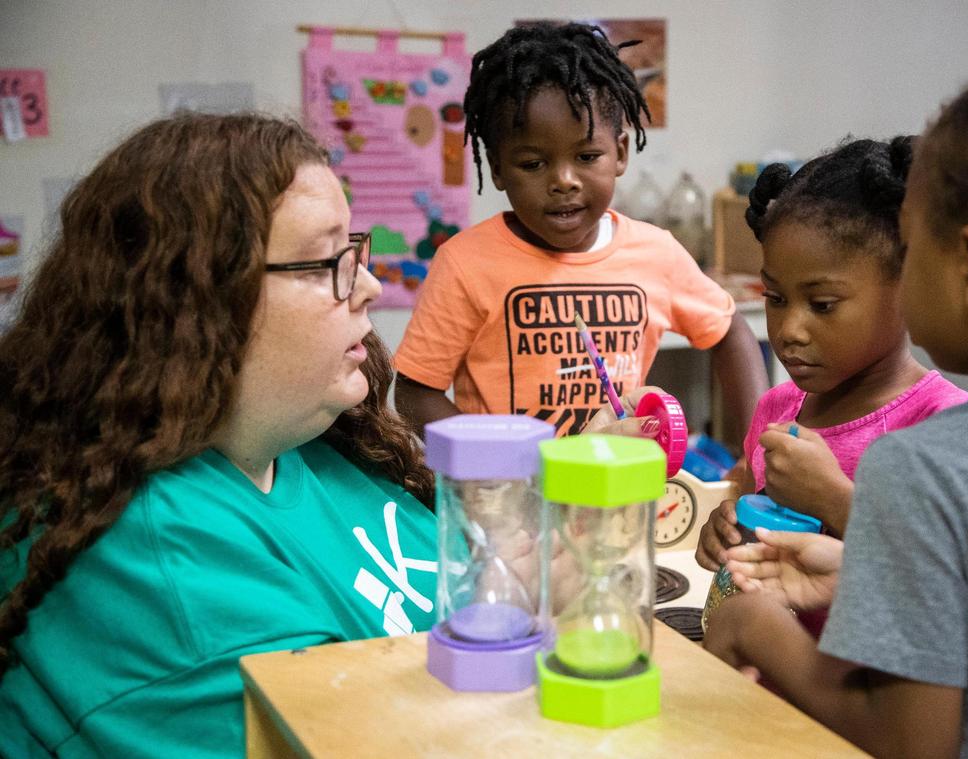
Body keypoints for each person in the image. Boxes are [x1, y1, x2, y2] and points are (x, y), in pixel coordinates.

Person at [704, 48, 968, 758]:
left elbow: (910, 740)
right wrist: (861, 564)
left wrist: (758, 627)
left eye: (911, 242)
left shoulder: (923, 468)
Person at [0, 113, 441, 757]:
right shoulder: (159, 566)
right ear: (198, 299)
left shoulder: (308, 441)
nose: (371, 286)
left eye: (358, 249)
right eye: (329, 262)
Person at [394, 22, 767, 438]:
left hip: (617, 493)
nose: (564, 181)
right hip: (514, 497)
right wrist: (504, 460)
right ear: (498, 169)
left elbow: (729, 329)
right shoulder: (465, 264)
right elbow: (414, 393)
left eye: (588, 156)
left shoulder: (656, 253)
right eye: (534, 164)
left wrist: (757, 452)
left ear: (620, 154)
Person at [694, 138, 968, 640]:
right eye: (774, 298)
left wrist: (836, 500)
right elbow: (755, 509)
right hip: (767, 689)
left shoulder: (946, 426)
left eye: (822, 304)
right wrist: (727, 524)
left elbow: (956, 585)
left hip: (858, 707)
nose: (789, 329)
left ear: (908, 287)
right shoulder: (778, 410)